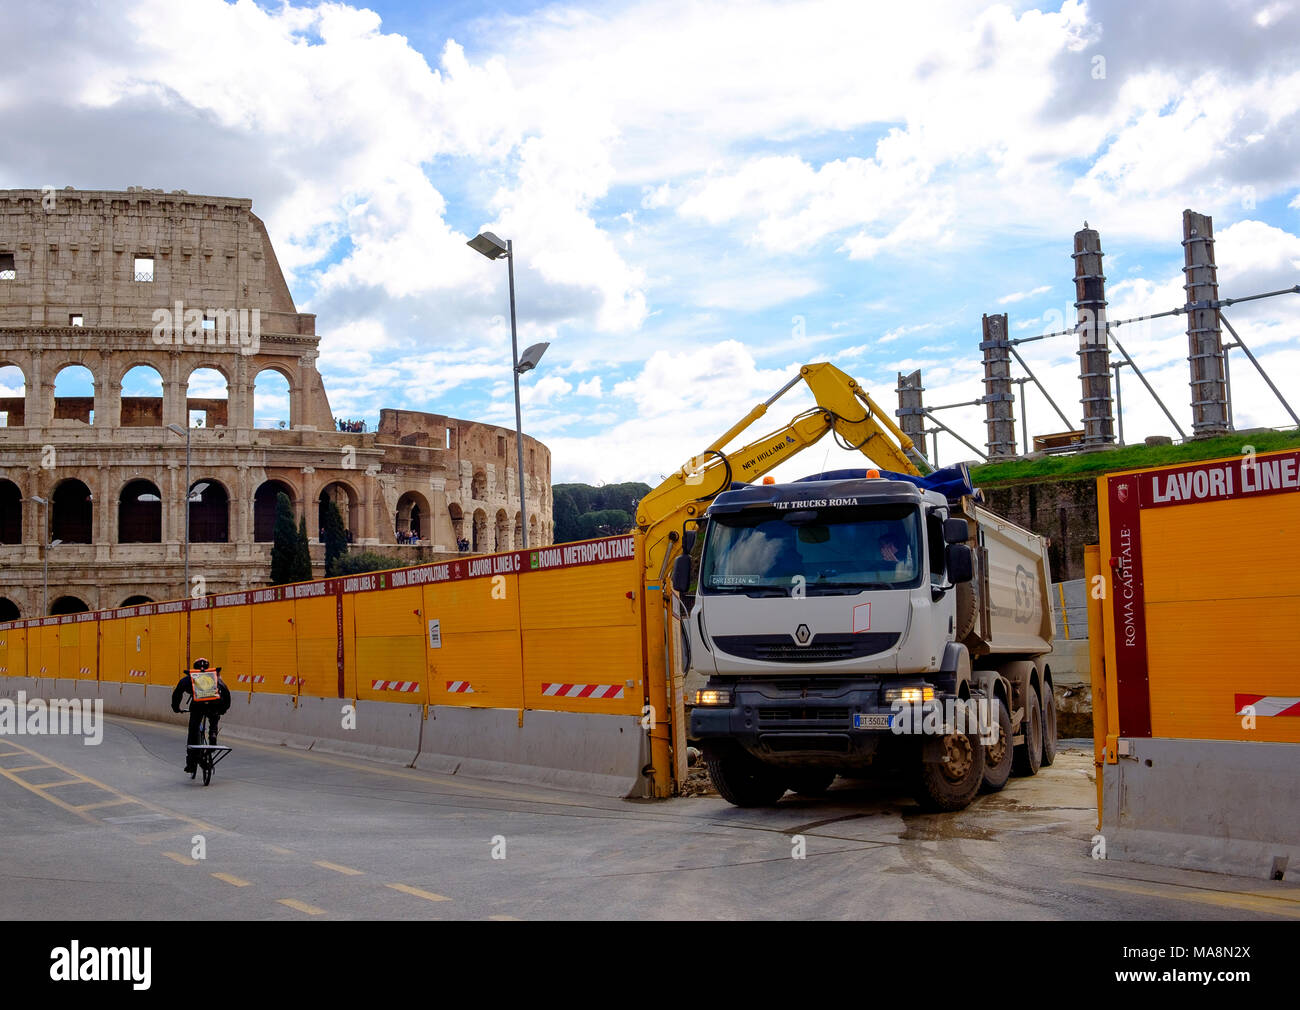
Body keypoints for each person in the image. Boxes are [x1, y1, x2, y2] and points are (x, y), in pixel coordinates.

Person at [171, 658, 232, 774]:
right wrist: (223, 709)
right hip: (214, 706)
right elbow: (226, 692)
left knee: (193, 730)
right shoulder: (214, 677)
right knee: (214, 719)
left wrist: (176, 708)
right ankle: (213, 735)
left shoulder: (190, 678)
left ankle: (190, 764)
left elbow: (178, 692)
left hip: (197, 707)